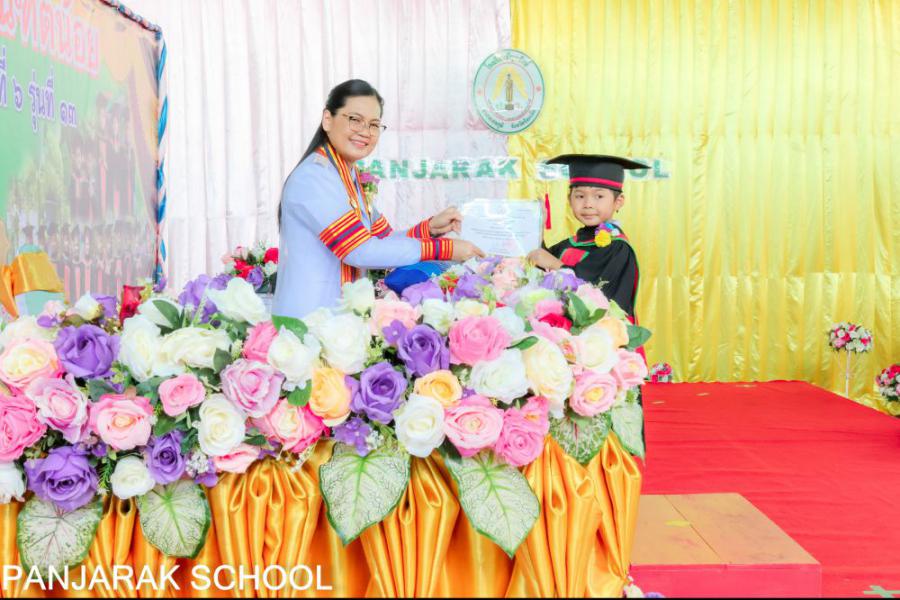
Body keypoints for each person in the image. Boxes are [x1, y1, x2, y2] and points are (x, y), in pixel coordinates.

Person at [273, 79, 484, 318]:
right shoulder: (314, 177)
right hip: (307, 322)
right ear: (327, 120)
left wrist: (430, 229)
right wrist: (445, 249)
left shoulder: (346, 175)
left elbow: (382, 241)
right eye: (355, 119)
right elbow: (361, 251)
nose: (365, 131)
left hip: (335, 322)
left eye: (374, 124)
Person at [527, 154, 647, 318]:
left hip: (600, 332)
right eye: (580, 196)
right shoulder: (567, 245)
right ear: (569, 200)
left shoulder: (618, 249)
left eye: (599, 196)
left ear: (618, 201)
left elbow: (600, 298)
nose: (588, 204)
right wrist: (537, 230)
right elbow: (540, 272)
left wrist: (556, 265)